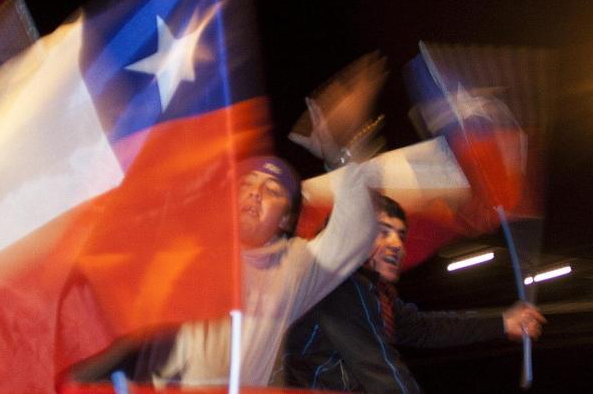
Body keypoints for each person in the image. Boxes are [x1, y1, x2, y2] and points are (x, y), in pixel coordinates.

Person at [91, 53, 390, 387]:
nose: (255, 193)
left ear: (285, 220)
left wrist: (346, 150)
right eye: (245, 185)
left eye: (272, 189)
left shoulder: (292, 268)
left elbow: (357, 232)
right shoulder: (188, 248)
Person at [282, 195, 546, 392]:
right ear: (353, 236)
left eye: (400, 235)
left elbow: (425, 328)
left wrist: (501, 322)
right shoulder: (339, 285)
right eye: (382, 232)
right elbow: (381, 370)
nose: (397, 244)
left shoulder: (373, 294)